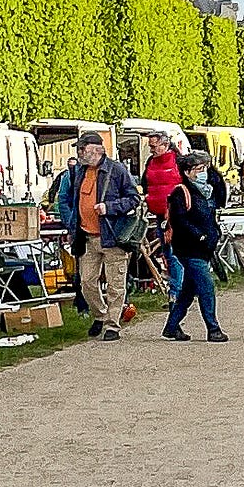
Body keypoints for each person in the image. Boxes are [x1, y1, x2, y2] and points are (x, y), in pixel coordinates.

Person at [59, 131, 141, 340]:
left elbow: (134, 198)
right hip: (87, 237)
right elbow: (73, 202)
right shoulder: (79, 172)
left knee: (115, 285)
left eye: (82, 149)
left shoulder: (117, 170)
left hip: (112, 237)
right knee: (86, 283)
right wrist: (73, 228)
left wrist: (109, 207)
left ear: (97, 150)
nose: (79, 153)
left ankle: (112, 326)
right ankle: (101, 315)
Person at [162, 151, 228, 342]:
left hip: (205, 248)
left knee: (188, 291)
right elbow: (180, 220)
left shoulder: (207, 191)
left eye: (205, 168)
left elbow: (221, 196)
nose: (203, 172)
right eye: (199, 169)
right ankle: (213, 329)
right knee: (206, 288)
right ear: (187, 172)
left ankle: (171, 327)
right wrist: (199, 235)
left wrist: (213, 170)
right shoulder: (180, 192)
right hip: (189, 248)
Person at [141, 130, 183, 301]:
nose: (151, 149)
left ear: (165, 145)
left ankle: (176, 291)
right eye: (150, 146)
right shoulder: (151, 162)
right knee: (166, 252)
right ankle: (179, 288)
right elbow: (145, 182)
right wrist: (148, 197)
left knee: (174, 253)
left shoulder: (178, 161)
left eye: (154, 146)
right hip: (159, 212)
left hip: (176, 214)